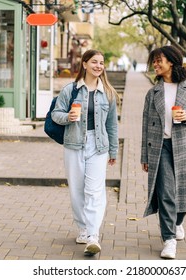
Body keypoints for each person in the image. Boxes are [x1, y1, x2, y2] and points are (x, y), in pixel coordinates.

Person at [141, 45, 186, 259]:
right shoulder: (153, 93)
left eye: (158, 60)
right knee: (166, 193)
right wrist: (144, 156)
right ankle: (169, 239)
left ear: (171, 61)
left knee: (185, 191)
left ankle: (178, 222)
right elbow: (145, 125)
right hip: (160, 147)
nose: (155, 64)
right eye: (154, 61)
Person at [51, 49, 119, 256]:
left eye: (102, 62)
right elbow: (56, 113)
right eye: (94, 62)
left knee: (95, 191)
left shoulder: (108, 93)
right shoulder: (70, 90)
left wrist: (113, 150)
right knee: (77, 190)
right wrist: (67, 118)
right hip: (74, 144)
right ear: (85, 64)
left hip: (98, 146)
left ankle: (93, 234)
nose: (99, 66)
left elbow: (112, 125)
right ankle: (82, 228)